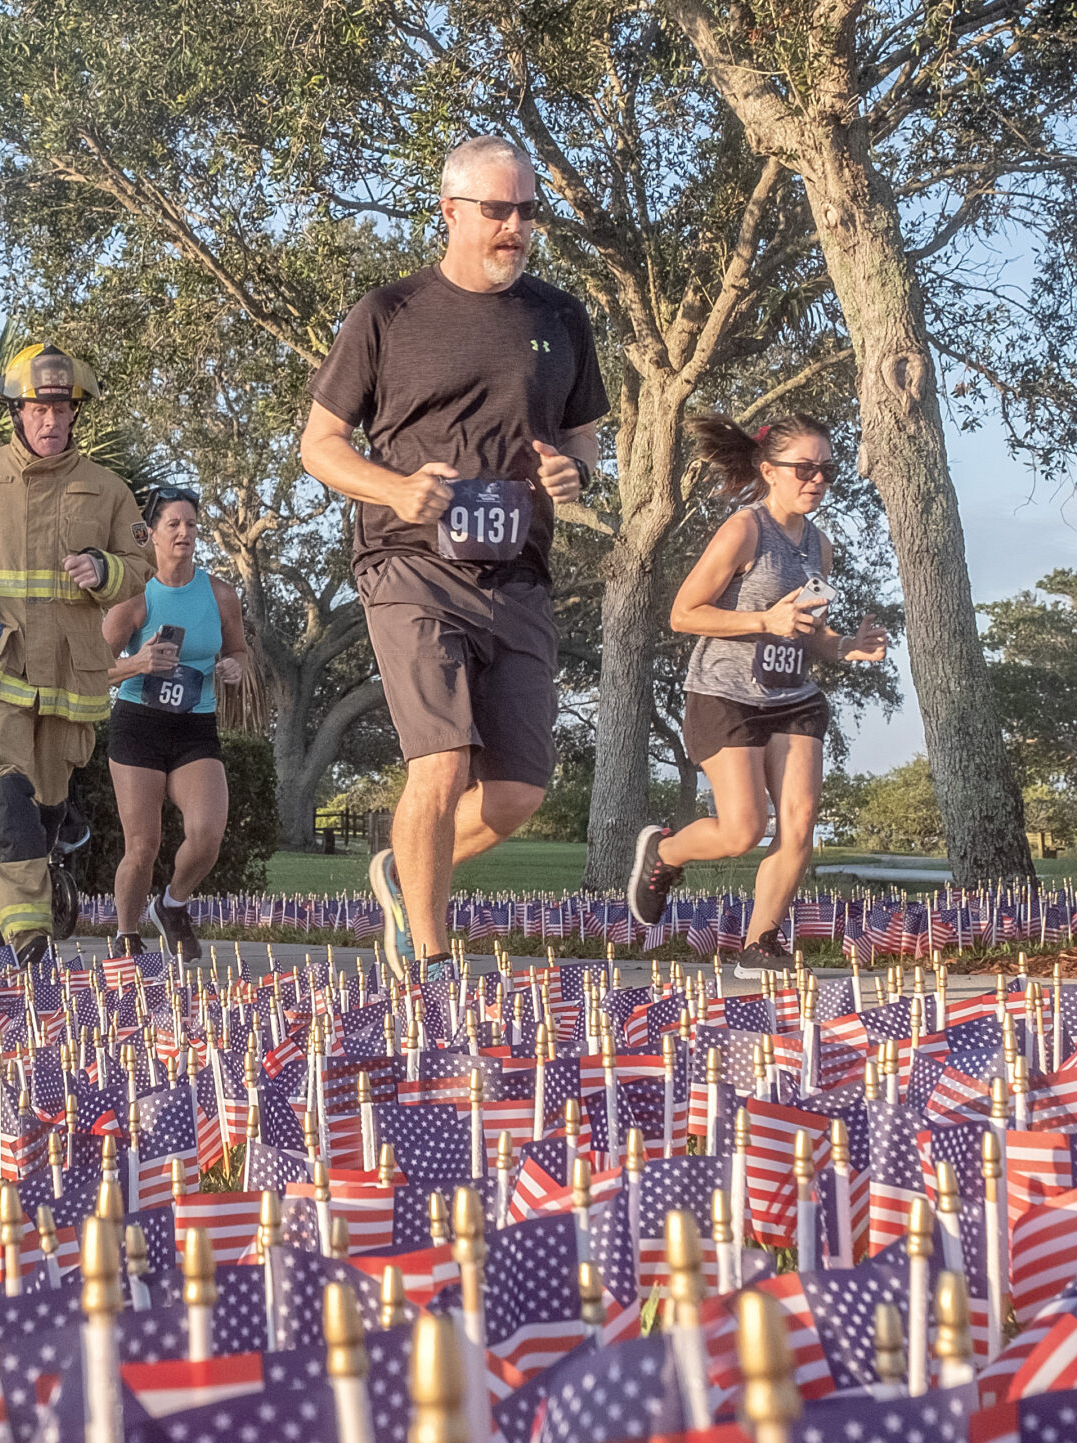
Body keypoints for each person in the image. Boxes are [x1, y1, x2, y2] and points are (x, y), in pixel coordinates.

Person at [300, 134, 611, 984]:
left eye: (527, 212)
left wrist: (571, 472)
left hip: (516, 568)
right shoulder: (389, 312)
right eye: (498, 210)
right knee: (440, 761)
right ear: (450, 211)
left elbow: (584, 442)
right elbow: (319, 447)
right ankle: (432, 957)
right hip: (409, 561)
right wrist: (396, 490)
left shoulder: (560, 317)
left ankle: (406, 875)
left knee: (517, 794)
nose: (516, 227)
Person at [623, 415, 886, 974]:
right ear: (769, 471)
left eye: (826, 470)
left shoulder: (820, 545)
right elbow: (682, 613)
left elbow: (807, 632)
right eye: (804, 468)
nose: (817, 479)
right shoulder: (744, 529)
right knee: (744, 828)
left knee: (799, 820)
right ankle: (664, 853)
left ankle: (759, 944)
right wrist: (763, 619)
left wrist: (846, 648)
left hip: (794, 696)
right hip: (726, 694)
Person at [0, 344, 153, 963]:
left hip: (68, 680)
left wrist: (103, 569)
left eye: (61, 409)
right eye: (37, 410)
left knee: (42, 812)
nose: (49, 421)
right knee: (7, 797)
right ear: (17, 411)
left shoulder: (107, 490)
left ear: (76, 412)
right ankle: (29, 935)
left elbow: (138, 567)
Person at [101, 485, 253, 958]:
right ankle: (127, 935)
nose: (184, 532)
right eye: (174, 524)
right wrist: (138, 663)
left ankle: (171, 904)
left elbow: (240, 651)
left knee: (207, 834)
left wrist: (235, 667)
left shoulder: (220, 594)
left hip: (194, 725)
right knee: (143, 845)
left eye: (190, 524)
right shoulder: (134, 599)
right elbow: (90, 670)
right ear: (150, 535)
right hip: (138, 725)